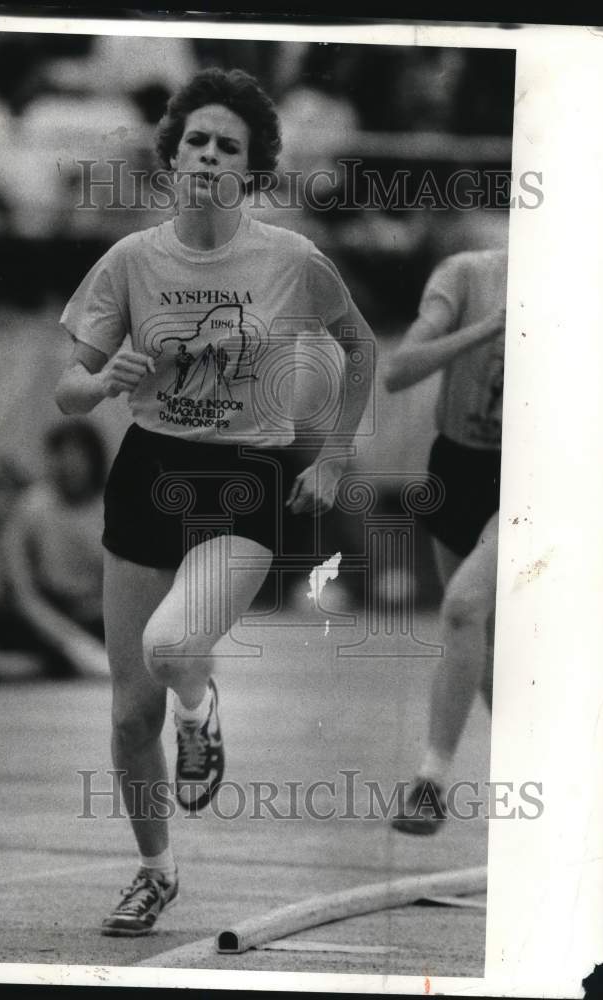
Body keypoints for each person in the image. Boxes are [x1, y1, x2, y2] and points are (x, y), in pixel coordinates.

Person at [55, 68, 377, 935]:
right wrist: (97, 384)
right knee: (128, 715)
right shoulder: (130, 260)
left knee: (171, 647)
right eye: (195, 140)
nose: (207, 155)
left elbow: (360, 347)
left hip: (245, 478)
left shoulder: (290, 260)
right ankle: (154, 872)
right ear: (172, 155)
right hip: (149, 470)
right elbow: (67, 389)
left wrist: (335, 457)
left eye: (226, 146)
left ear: (252, 168)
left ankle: (203, 714)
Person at [383, 247, 507, 834]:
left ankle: (430, 783)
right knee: (484, 658)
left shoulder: (589, 286)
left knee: (462, 608)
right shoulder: (467, 274)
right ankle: (554, 787)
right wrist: (488, 328)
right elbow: (398, 369)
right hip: (456, 467)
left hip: (528, 475)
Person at [0, 417, 108, 678]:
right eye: (62, 456)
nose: (71, 466)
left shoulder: (114, 505)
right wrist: (73, 643)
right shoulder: (30, 508)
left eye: (79, 457)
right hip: (45, 615)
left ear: (94, 461)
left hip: (101, 615)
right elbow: (23, 594)